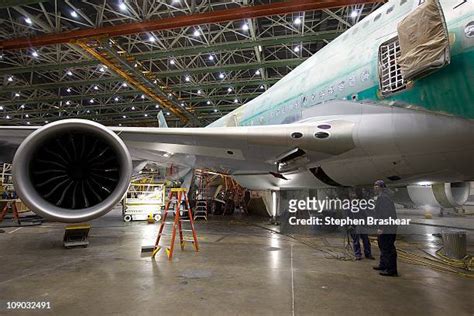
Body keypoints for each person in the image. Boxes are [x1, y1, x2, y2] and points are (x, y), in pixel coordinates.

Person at [372, 180, 399, 277]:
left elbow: (385, 214)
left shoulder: (384, 198)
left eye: (377, 186)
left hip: (388, 227)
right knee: (382, 246)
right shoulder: (382, 197)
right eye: (374, 185)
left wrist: (382, 227)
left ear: (382, 187)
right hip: (386, 226)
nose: (375, 187)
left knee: (388, 248)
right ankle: (383, 265)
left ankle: (391, 270)